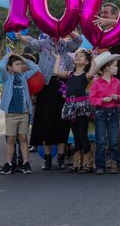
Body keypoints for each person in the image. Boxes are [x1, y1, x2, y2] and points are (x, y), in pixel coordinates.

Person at [22, 33, 83, 170]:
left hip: (63, 85)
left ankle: (61, 157)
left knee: (62, 121)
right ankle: (48, 158)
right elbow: (32, 42)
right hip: (47, 85)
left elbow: (78, 40)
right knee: (45, 120)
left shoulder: (66, 45)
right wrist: (21, 36)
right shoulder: (44, 43)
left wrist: (69, 30)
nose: (56, 35)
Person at [0, 53, 41, 175]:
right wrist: (8, 56)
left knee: (23, 138)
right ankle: (9, 163)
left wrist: (23, 58)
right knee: (10, 139)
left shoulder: (24, 76)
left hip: (24, 113)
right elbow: (1, 67)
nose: (20, 66)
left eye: (21, 64)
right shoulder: (6, 77)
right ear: (10, 67)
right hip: (11, 114)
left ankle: (26, 163)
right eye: (17, 64)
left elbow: (35, 68)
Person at [55, 49, 95, 174]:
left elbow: (93, 71)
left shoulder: (86, 75)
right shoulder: (70, 74)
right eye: (76, 55)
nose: (78, 57)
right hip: (70, 106)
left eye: (81, 56)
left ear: (86, 61)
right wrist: (58, 58)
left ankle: (88, 164)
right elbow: (56, 72)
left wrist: (93, 58)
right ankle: (77, 164)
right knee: (76, 135)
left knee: (83, 134)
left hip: (81, 106)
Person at [89, 51, 120, 175]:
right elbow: (92, 100)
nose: (117, 67)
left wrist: (118, 98)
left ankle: (114, 162)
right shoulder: (96, 83)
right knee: (101, 140)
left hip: (114, 111)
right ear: (107, 68)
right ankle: (100, 165)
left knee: (114, 139)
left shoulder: (117, 82)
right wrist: (102, 100)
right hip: (101, 112)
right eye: (115, 65)